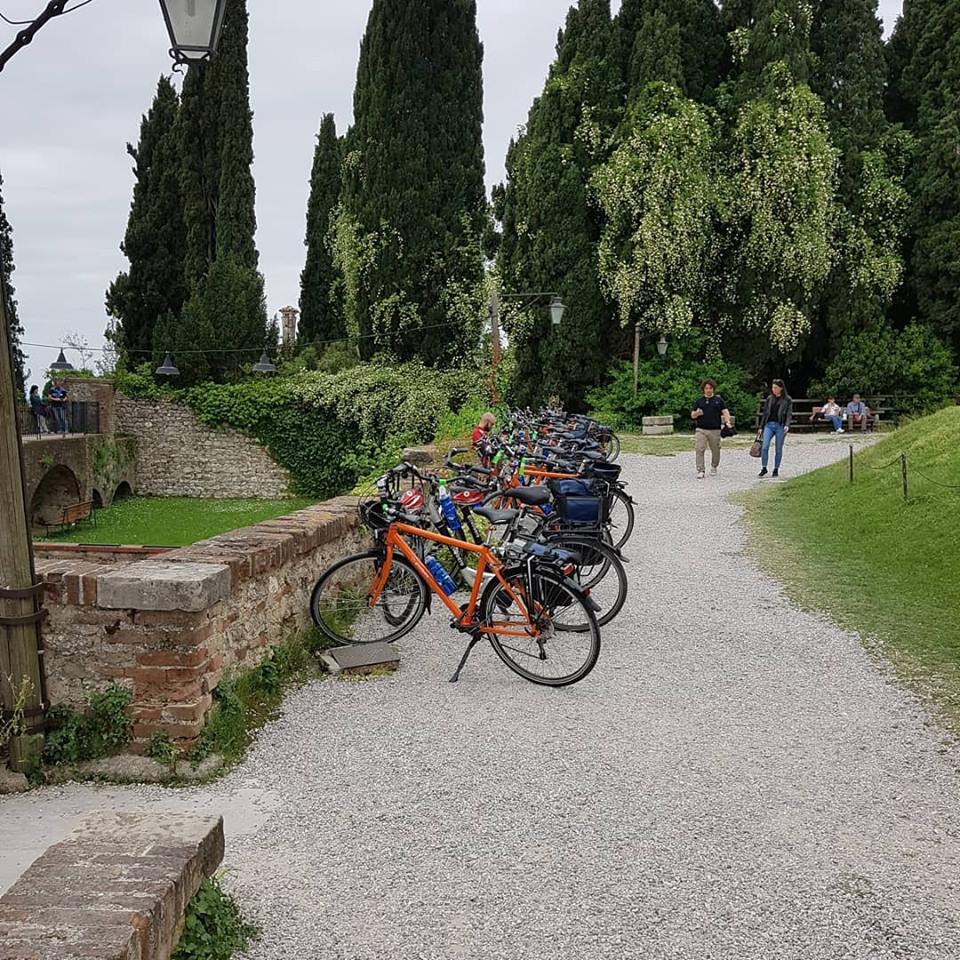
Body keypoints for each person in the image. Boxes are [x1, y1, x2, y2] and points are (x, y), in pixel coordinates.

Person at [691, 379, 734, 480]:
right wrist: (697, 413)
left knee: (715, 449)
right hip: (701, 429)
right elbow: (692, 415)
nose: (708, 390)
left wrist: (727, 422)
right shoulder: (699, 401)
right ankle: (701, 470)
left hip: (715, 430)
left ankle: (714, 466)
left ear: (713, 389)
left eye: (710, 388)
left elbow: (725, 412)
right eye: (706, 388)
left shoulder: (718, 400)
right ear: (703, 389)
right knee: (699, 448)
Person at [758, 379, 792, 479]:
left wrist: (787, 425)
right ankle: (764, 467)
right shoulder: (769, 398)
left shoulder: (787, 400)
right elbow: (765, 413)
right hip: (769, 425)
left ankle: (776, 468)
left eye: (776, 388)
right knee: (764, 446)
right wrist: (761, 427)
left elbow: (789, 414)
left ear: (781, 388)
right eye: (773, 387)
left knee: (778, 448)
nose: (774, 389)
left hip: (780, 425)